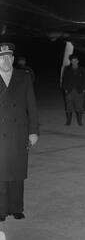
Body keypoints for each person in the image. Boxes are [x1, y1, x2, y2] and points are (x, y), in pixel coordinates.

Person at [0, 43, 39, 222]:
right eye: (2, 57)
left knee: (17, 172)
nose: (6, 60)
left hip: (18, 132)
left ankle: (16, 208)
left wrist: (33, 131)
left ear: (13, 59)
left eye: (9, 57)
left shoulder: (23, 77)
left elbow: (32, 106)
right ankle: (1, 210)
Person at [62, 53, 85, 126]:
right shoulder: (67, 69)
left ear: (78, 61)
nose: (74, 62)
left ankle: (80, 122)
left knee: (79, 106)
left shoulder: (82, 69)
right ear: (71, 61)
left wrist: (84, 89)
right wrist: (65, 89)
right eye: (72, 60)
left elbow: (84, 80)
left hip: (79, 91)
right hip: (69, 91)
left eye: (75, 60)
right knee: (69, 106)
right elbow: (64, 80)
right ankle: (68, 122)